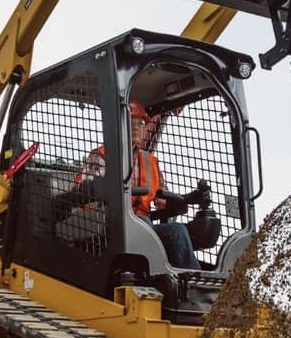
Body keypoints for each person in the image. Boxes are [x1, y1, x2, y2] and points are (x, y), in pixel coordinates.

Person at [76, 99, 201, 270]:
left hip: (142, 227)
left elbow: (162, 197)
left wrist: (185, 199)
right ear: (119, 125)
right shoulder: (101, 156)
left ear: (145, 129)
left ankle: (190, 281)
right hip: (109, 228)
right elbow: (85, 193)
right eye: (131, 120)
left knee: (177, 231)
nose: (137, 126)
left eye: (141, 122)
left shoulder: (150, 161)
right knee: (145, 226)